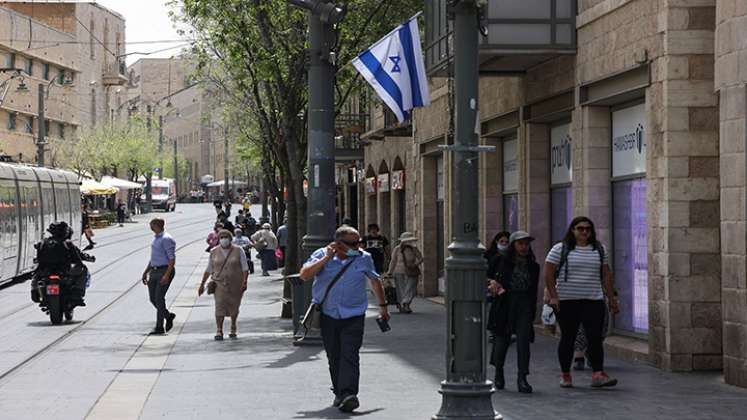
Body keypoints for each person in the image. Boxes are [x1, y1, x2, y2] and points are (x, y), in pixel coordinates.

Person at [299, 226, 390, 413]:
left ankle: (349, 394)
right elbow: (305, 275)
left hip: (354, 314)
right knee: (334, 355)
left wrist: (383, 307)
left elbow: (374, 280)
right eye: (353, 243)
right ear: (339, 244)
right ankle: (340, 392)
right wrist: (326, 258)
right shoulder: (321, 254)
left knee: (350, 353)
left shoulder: (364, 257)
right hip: (328, 314)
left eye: (359, 243)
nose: (358, 246)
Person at [544, 216, 619, 388]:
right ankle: (565, 374)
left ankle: (598, 374)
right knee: (568, 338)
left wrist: (611, 298)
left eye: (587, 228)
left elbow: (606, 275)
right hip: (567, 301)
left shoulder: (599, 249)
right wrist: (554, 296)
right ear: (572, 230)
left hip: (593, 299)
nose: (584, 231)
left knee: (595, 338)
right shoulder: (560, 248)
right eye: (580, 228)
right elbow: (548, 273)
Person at [487, 231, 540, 394]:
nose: (524, 247)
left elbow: (533, 290)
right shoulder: (501, 261)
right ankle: (499, 371)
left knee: (523, 341)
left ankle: (522, 377)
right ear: (513, 245)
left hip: (524, 303)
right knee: (502, 340)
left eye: (526, 244)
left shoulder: (533, 265)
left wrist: (532, 309)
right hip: (505, 303)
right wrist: (492, 283)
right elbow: (486, 276)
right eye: (520, 243)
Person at [199, 229, 249, 340]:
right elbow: (209, 269)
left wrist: (245, 282)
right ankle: (219, 330)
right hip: (219, 283)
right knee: (219, 305)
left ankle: (233, 325)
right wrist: (202, 284)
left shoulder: (238, 250)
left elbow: (245, 268)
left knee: (234, 306)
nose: (224, 239)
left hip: (236, 283)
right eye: (221, 237)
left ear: (230, 239)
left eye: (226, 237)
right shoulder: (213, 251)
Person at [36, 221, 87, 307]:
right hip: (63, 270)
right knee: (83, 270)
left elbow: (39, 258)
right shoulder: (67, 243)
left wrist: (38, 269)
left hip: (46, 271)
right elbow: (76, 257)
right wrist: (80, 264)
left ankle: (41, 297)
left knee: (37, 279)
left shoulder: (43, 243)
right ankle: (78, 294)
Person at [141, 218, 176, 335]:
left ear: (156, 225)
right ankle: (168, 316)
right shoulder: (156, 239)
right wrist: (146, 271)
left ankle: (159, 327)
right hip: (154, 270)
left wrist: (167, 275)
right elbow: (154, 258)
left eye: (151, 224)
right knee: (153, 299)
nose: (150, 227)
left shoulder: (166, 239)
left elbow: (171, 259)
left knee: (159, 298)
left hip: (164, 270)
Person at [386, 232, 423, 314]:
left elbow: (420, 258)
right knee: (401, 289)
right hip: (399, 271)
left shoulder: (414, 249)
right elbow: (393, 261)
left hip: (412, 271)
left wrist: (415, 264)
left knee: (411, 288)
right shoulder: (397, 249)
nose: (408, 242)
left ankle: (405, 303)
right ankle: (405, 305)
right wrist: (390, 272)